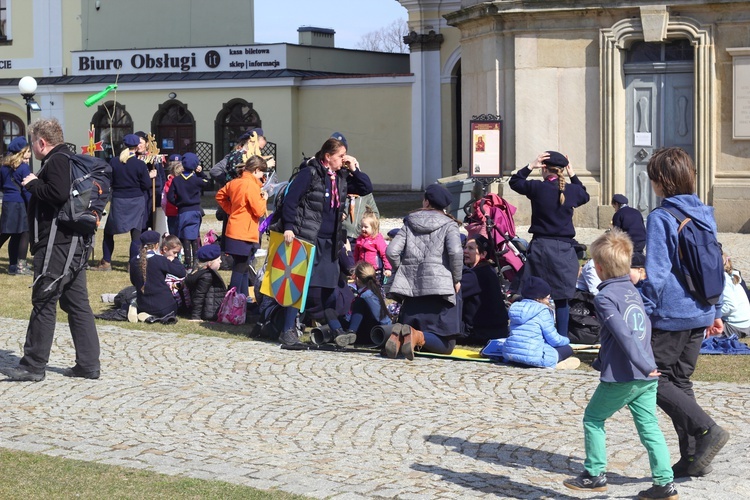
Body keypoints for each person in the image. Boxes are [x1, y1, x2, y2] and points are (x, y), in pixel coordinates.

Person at [564, 228, 677, 500]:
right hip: (647, 375)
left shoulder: (604, 298)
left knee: (593, 418)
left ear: (599, 269)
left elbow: (622, 332)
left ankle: (594, 474)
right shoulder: (632, 291)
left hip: (626, 374)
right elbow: (644, 326)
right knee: (649, 426)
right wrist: (647, 362)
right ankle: (664, 484)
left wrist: (640, 362)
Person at [641, 146, 729, 478]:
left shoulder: (662, 217)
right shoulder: (705, 213)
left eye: (653, 179)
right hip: (701, 312)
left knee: (651, 380)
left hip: (672, 315)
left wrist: (644, 313)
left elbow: (658, 272)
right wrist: (716, 309)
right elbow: (715, 265)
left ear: (662, 181)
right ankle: (693, 458)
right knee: (680, 380)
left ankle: (708, 429)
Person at [3, 118, 101, 381]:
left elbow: (57, 194)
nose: (32, 148)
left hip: (58, 244)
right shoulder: (67, 159)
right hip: (73, 244)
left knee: (44, 300)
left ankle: (33, 365)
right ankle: (89, 364)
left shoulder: (57, 161)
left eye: (33, 142)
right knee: (76, 303)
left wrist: (32, 183)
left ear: (41, 142)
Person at [272, 137, 361, 346]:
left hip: (330, 241)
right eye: (340, 156)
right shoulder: (309, 173)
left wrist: (354, 168)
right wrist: (288, 227)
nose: (343, 160)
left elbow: (365, 187)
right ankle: (287, 330)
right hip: (307, 238)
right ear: (328, 157)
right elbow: (291, 201)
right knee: (298, 285)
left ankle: (335, 328)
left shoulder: (340, 176)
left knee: (327, 288)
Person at [509, 150, 590, 337]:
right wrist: (573, 174)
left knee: (534, 294)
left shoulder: (538, 188)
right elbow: (584, 195)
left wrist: (531, 165)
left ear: (544, 168)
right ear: (563, 169)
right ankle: (561, 338)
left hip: (541, 247)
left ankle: (533, 334)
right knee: (562, 299)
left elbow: (515, 182)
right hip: (564, 248)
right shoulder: (572, 190)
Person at [386, 183, 463, 359]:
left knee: (407, 330)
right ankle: (415, 336)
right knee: (446, 345)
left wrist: (402, 269)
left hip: (412, 290)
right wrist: (456, 278)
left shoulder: (410, 221)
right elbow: (456, 252)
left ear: (427, 202)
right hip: (440, 289)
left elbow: (391, 251)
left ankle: (406, 336)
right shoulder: (449, 224)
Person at [90, 134, 154, 271]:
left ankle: (106, 261)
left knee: (109, 232)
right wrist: (150, 176)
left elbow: (110, 181)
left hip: (119, 200)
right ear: (137, 147)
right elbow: (146, 185)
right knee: (135, 234)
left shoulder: (114, 162)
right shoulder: (140, 164)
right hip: (136, 200)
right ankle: (132, 264)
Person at [215, 154, 268, 296]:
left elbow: (220, 195)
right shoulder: (251, 185)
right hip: (244, 231)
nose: (262, 175)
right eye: (262, 172)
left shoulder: (235, 182)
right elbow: (258, 211)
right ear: (256, 170)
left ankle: (242, 297)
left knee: (243, 266)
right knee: (240, 267)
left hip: (235, 229)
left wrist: (230, 210)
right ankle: (233, 298)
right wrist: (264, 199)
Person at [502, 276, 577, 369]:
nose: (549, 301)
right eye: (547, 298)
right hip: (533, 358)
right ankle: (556, 365)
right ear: (538, 298)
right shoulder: (542, 311)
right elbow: (554, 340)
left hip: (511, 355)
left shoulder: (515, 308)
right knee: (567, 349)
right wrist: (566, 340)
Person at [460, 235, 509, 343]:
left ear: (483, 254)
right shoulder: (488, 270)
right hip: (497, 330)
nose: (465, 251)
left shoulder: (477, 275)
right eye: (465, 247)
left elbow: (453, 292)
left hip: (480, 332)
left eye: (471, 248)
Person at [332, 132, 378, 243]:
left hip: (358, 235)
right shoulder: (330, 177)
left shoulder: (352, 181)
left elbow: (367, 188)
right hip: (338, 233)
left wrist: (355, 170)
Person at [129, 230, 186, 319]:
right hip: (165, 307)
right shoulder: (160, 260)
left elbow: (133, 282)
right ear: (156, 245)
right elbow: (181, 272)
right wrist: (174, 260)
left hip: (143, 305)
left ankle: (136, 307)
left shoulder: (133, 261)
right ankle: (149, 315)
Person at [167, 152, 209, 269]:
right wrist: (200, 172)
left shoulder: (176, 180)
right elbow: (207, 182)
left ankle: (187, 261)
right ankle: (196, 260)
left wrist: (178, 204)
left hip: (182, 210)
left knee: (185, 235)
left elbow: (170, 196)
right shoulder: (196, 180)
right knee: (194, 234)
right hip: (195, 210)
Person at [0, 136, 33, 275]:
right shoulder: (24, 168)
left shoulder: (3, 167)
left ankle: (13, 265)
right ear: (22, 152)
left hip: (7, 202)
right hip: (19, 204)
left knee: (8, 233)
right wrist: (32, 204)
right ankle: (20, 266)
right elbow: (26, 190)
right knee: (24, 234)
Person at [347, 261, 392, 344]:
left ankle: (351, 333)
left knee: (359, 303)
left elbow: (381, 317)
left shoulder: (367, 295)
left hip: (371, 333)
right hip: (367, 328)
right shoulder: (372, 291)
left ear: (357, 278)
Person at [185, 244, 227, 321]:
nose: (220, 261)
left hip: (209, 309)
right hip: (210, 312)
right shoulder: (207, 276)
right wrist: (195, 317)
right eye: (218, 260)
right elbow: (199, 296)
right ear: (209, 263)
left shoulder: (198, 272)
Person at [353, 210, 391, 282]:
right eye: (362, 227)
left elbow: (384, 254)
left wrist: (387, 268)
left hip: (375, 271)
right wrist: (355, 268)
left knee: (375, 287)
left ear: (373, 228)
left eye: (366, 227)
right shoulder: (360, 239)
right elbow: (356, 255)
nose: (363, 229)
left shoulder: (377, 239)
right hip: (363, 270)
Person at [719, 254, 750, 338]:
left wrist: (713, 314)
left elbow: (730, 306)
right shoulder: (733, 276)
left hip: (735, 326)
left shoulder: (724, 279)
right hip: (744, 324)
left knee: (698, 334)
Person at [162, 154, 182, 236]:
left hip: (172, 210)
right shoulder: (183, 181)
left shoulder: (169, 181)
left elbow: (166, 196)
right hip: (179, 210)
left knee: (173, 234)